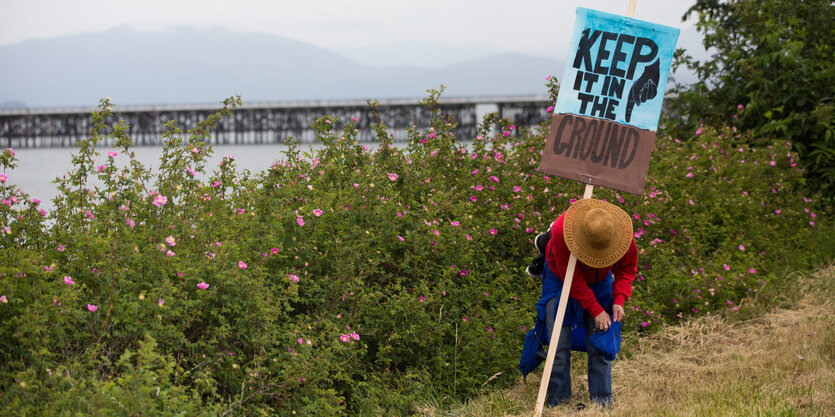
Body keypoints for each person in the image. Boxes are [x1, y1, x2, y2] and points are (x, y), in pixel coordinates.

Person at [520, 198, 637, 408]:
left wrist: (619, 299)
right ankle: (560, 403)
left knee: (600, 341)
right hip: (559, 278)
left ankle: (602, 404)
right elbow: (570, 279)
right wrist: (595, 309)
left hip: (600, 281)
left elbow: (627, 269)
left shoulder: (621, 233)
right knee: (559, 343)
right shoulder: (561, 231)